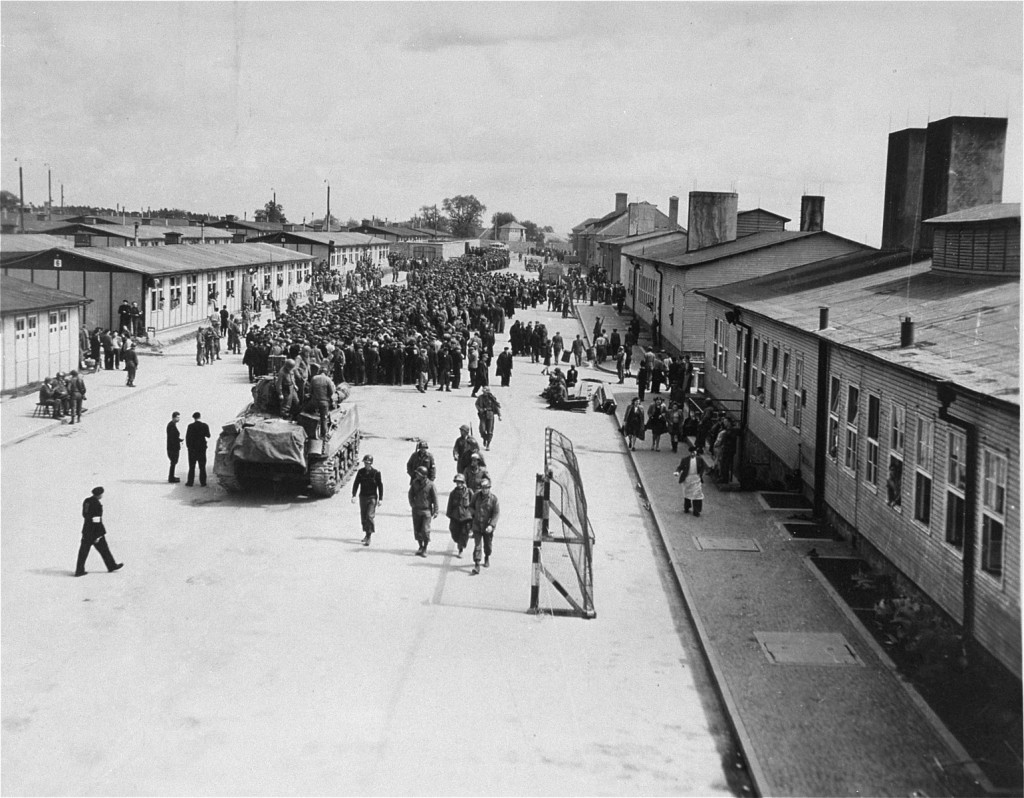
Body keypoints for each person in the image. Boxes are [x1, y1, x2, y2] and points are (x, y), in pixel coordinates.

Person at [75, 486, 124, 577]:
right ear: (99, 495)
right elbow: (97, 520)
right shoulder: (97, 504)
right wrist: (98, 535)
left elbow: (84, 514)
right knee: (104, 549)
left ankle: (79, 570)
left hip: (86, 530)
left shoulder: (87, 501)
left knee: (83, 552)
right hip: (95, 532)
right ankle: (111, 565)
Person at [469, 478, 500, 575]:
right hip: (477, 524)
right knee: (477, 545)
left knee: (488, 545)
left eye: (486, 488)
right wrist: (474, 514)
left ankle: (487, 556)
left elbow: (496, 513)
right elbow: (470, 507)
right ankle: (477, 564)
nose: (484, 490)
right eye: (482, 488)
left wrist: (491, 525)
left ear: (489, 488)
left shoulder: (494, 499)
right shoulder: (476, 496)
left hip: (487, 526)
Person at [351, 454, 384, 546]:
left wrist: (380, 498)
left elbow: (380, 486)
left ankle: (369, 537)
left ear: (371, 463)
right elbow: (356, 483)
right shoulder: (361, 472)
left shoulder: (376, 473)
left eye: (368, 463)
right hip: (363, 497)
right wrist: (353, 495)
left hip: (372, 497)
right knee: (363, 517)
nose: (366, 465)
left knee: (369, 516)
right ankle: (366, 534)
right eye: (365, 463)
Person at [408, 465, 438, 557]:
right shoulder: (414, 483)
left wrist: (436, 510)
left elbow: (435, 498)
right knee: (417, 530)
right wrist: (413, 504)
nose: (417, 476)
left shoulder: (431, 485)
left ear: (424, 476)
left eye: (419, 474)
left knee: (425, 530)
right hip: (416, 510)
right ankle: (420, 546)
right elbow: (410, 494)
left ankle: (425, 548)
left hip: (426, 510)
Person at [446, 473, 473, 558]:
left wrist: (473, 516)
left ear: (463, 482)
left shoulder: (469, 492)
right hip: (455, 516)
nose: (458, 484)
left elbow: (473, 504)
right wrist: (449, 515)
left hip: (466, 517)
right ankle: (459, 542)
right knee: (454, 531)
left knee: (464, 533)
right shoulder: (453, 493)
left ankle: (460, 549)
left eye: (460, 482)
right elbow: (450, 505)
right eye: (457, 482)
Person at [675, 445, 706, 517]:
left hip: (696, 479)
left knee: (697, 495)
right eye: (691, 452)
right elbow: (680, 467)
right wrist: (677, 472)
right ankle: (687, 507)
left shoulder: (699, 459)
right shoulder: (685, 460)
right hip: (688, 479)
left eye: (694, 452)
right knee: (688, 493)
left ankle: (696, 510)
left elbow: (702, 467)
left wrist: (700, 474)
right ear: (689, 453)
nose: (693, 454)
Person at [307, 365, 336, 440]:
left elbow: (310, 391)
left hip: (314, 402)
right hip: (324, 403)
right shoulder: (328, 379)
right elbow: (331, 392)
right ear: (326, 373)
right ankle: (324, 435)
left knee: (307, 412)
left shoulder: (314, 378)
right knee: (324, 419)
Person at [185, 411, 211, 487]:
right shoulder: (205, 425)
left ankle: (190, 482)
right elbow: (208, 435)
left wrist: (189, 447)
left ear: (194, 418)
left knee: (192, 466)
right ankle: (203, 482)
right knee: (202, 466)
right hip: (202, 449)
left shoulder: (190, 426)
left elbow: (187, 438)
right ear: (200, 417)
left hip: (192, 449)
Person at [166, 411, 183, 483]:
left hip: (172, 447)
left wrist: (179, 440)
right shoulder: (172, 425)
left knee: (173, 462)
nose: (179, 419)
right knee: (173, 462)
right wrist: (178, 441)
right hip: (173, 448)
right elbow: (172, 438)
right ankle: (171, 478)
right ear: (174, 417)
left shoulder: (172, 425)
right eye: (177, 417)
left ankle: (171, 477)